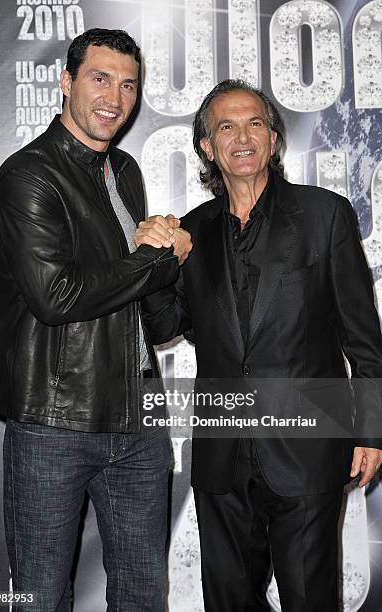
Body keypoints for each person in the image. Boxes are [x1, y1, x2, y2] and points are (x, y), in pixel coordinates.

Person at [139, 80, 382, 611]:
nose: (242, 137)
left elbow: (364, 339)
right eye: (225, 126)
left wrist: (370, 429)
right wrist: (158, 263)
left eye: (254, 124)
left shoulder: (325, 215)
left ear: (273, 138)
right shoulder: (192, 232)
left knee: (309, 598)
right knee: (228, 600)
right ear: (207, 145)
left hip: (308, 445)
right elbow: (162, 328)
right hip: (223, 453)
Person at [0, 28, 191, 612]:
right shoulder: (27, 177)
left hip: (139, 423)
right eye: (100, 78)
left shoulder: (124, 170)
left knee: (144, 595)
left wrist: (165, 268)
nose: (116, 98)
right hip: (55, 423)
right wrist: (156, 255)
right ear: (66, 80)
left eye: (129, 85)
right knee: (40, 598)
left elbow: (139, 293)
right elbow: (58, 296)